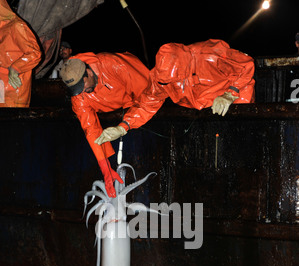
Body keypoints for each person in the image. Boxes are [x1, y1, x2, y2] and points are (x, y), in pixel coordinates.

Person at [94, 39, 255, 146]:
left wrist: (230, 94)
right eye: (167, 82)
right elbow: (146, 104)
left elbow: (245, 65)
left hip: (235, 100)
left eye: (174, 80)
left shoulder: (209, 54)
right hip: (205, 108)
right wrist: (123, 127)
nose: (171, 85)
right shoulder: (161, 78)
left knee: (240, 141)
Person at [60, 51, 150, 197]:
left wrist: (126, 124)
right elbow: (91, 131)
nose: (82, 92)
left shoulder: (113, 65)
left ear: (88, 72)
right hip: (117, 111)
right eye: (76, 90)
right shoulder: (79, 96)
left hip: (141, 101)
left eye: (82, 86)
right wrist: (105, 169)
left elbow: (150, 95)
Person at [0, 0, 41, 107]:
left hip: (14, 87)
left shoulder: (17, 26)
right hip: (1, 85)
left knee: (13, 120)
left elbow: (34, 53)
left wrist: (15, 68)